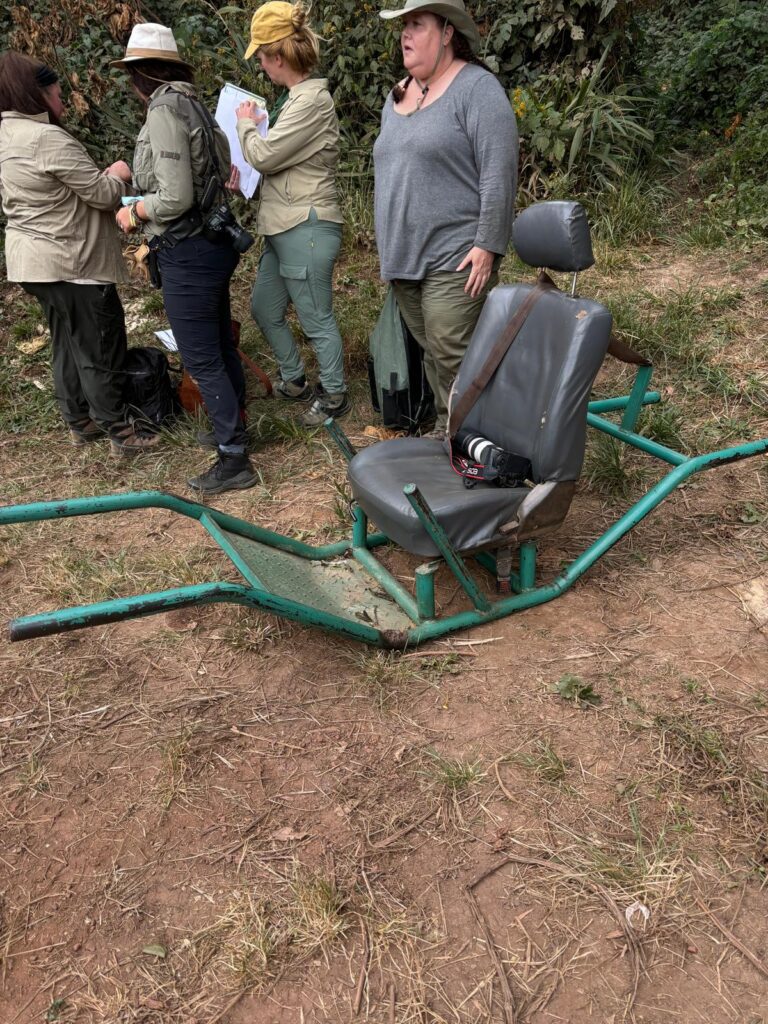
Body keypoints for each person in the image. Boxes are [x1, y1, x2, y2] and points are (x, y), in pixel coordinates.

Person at [112, 23, 258, 494]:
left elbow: (174, 197)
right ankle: (231, 429)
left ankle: (234, 458)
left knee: (201, 356)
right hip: (210, 245)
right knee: (218, 344)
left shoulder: (162, 110)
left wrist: (135, 209)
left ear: (140, 74)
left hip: (187, 250)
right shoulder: (195, 105)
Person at [0, 51, 158, 456]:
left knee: (66, 340)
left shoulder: (4, 135)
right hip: (73, 260)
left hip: (31, 260)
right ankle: (120, 431)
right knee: (99, 344)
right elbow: (103, 195)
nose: (63, 101)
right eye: (56, 93)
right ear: (35, 95)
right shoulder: (46, 139)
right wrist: (119, 173)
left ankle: (79, 420)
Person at [374, 0, 519, 433]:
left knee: (452, 351)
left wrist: (489, 244)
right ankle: (453, 438)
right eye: (403, 26)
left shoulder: (476, 89)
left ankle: (483, 445)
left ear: (448, 32)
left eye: (417, 24)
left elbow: (498, 170)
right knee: (435, 354)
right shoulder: (397, 94)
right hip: (404, 259)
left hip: (456, 255)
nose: (406, 34)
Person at [236, 0, 348, 428]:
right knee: (265, 307)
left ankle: (334, 395)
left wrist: (245, 124)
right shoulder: (291, 101)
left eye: (262, 58)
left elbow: (265, 155)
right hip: (283, 226)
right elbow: (275, 163)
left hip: (307, 225)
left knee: (316, 316)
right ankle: (294, 379)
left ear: (278, 57)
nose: (261, 67)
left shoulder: (311, 102)